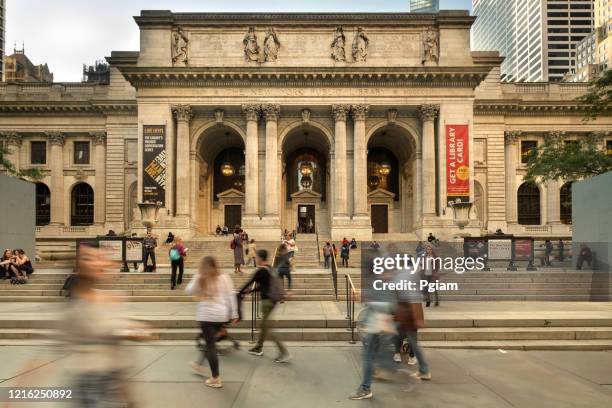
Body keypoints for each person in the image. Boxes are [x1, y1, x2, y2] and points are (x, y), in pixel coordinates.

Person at [62, 245, 152, 407]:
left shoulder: (113, 298)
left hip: (112, 377)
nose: (100, 263)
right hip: (88, 380)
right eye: (90, 259)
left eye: (101, 259)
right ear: (78, 268)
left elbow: (116, 335)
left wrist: (134, 330)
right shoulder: (75, 306)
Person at [185, 256, 238, 389]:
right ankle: (199, 364)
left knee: (210, 346)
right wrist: (234, 313)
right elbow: (231, 295)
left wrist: (198, 277)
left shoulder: (200, 277)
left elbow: (189, 290)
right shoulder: (224, 277)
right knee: (211, 343)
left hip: (206, 316)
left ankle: (215, 378)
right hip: (221, 315)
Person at [239, 249, 291, 363]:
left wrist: (240, 293)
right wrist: (249, 291)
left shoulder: (261, 270)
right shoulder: (270, 268)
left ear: (260, 258)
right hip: (273, 300)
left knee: (267, 327)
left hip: (267, 302)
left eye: (257, 257)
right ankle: (258, 347)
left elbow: (249, 282)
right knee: (264, 325)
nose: (256, 259)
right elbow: (263, 286)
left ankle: (283, 352)